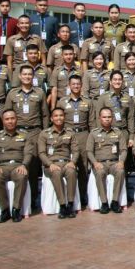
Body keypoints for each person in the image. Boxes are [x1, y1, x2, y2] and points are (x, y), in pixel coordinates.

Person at [2, 64, 48, 209]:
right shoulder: (12, 94)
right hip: (18, 132)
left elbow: (45, 114)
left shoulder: (40, 93)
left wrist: (45, 133)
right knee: (18, 163)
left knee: (33, 165)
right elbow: (7, 114)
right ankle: (17, 200)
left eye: (30, 74)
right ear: (20, 76)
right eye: (25, 74)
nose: (27, 76)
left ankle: (33, 197)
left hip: (35, 132)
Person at [0, 110, 33, 222]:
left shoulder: (25, 135)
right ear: (3, 121)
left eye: (12, 118)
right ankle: (4, 210)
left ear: (16, 119)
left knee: (22, 177)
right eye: (7, 119)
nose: (10, 121)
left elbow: (28, 153)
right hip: (2, 167)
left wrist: (24, 165)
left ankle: (16, 209)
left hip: (18, 166)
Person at [56, 75, 93, 205]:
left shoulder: (88, 102)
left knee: (83, 166)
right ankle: (67, 196)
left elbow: (92, 122)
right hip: (67, 135)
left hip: (83, 135)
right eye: (73, 84)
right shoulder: (62, 102)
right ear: (69, 86)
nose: (76, 86)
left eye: (78, 84)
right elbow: (58, 120)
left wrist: (91, 138)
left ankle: (82, 195)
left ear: (81, 85)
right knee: (69, 165)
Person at [38, 107, 79, 219]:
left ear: (64, 117)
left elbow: (75, 151)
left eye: (61, 115)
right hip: (51, 164)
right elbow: (41, 153)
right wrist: (50, 164)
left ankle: (70, 205)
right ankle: (62, 205)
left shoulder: (70, 133)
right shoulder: (44, 134)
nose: (59, 118)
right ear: (51, 118)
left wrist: (73, 162)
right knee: (56, 173)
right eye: (56, 116)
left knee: (71, 172)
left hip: (66, 163)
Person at [86, 107, 128, 214]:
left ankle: (114, 201)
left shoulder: (118, 132)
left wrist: (121, 161)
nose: (107, 119)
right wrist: (95, 163)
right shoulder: (93, 133)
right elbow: (89, 151)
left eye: (109, 117)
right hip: (100, 163)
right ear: (100, 118)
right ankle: (104, 203)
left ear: (112, 118)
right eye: (104, 117)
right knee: (100, 173)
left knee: (120, 171)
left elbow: (123, 150)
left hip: (114, 162)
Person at [48, 44, 80, 108]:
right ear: (62, 56)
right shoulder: (56, 71)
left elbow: (82, 89)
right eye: (66, 54)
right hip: (60, 102)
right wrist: (53, 107)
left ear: (74, 55)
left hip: (75, 103)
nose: (68, 57)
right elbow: (54, 90)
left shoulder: (79, 71)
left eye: (70, 54)